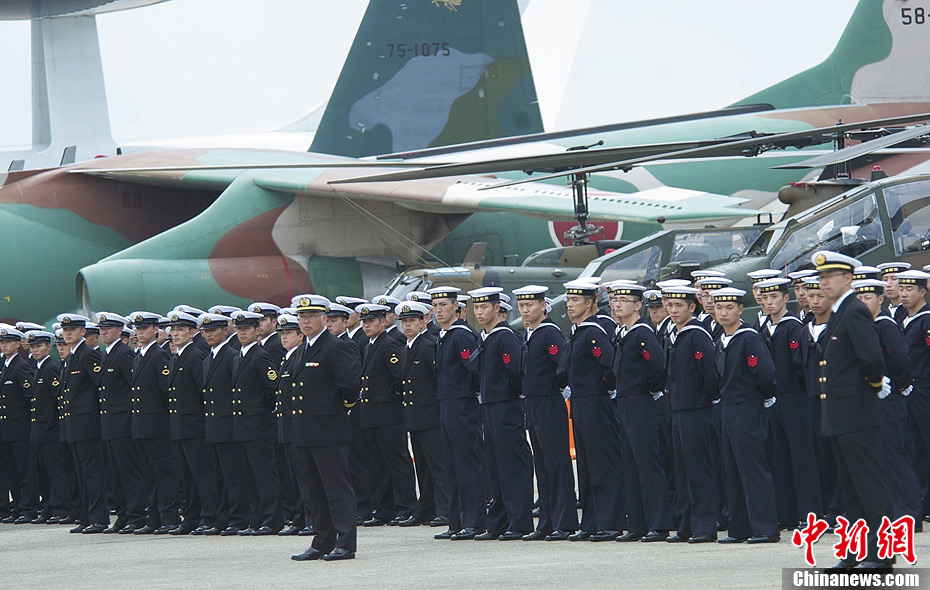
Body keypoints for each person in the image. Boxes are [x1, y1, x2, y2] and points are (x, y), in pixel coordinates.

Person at [812, 250, 894, 570]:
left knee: (870, 488)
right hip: (839, 415)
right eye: (821, 277)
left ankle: (883, 554)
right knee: (851, 491)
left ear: (848, 279)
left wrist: (873, 387)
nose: (823, 282)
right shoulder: (838, 313)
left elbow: (871, 359)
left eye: (829, 276)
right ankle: (856, 553)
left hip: (857, 413)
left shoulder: (854, 311)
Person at [290, 294, 361, 562]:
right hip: (307, 430)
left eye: (311, 317)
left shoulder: (335, 346)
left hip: (329, 428)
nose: (306, 322)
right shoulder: (303, 348)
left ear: (324, 319)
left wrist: (341, 408)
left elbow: (350, 385)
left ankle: (345, 543)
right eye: (302, 317)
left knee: (337, 488)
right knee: (315, 490)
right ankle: (322, 540)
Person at [710, 288, 780, 544]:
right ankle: (739, 527)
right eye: (719, 308)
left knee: (753, 468)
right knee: (732, 468)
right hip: (728, 408)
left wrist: (763, 397)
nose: (724, 312)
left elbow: (765, 373)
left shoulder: (748, 338)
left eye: (729, 307)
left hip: (747, 407)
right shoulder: (722, 339)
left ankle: (765, 527)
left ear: (741, 309)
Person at [605, 282, 672, 543]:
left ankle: (658, 523)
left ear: (637, 305)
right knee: (630, 464)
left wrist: (648, 389)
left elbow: (658, 366)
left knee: (647, 463)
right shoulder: (624, 332)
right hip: (625, 401)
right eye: (614, 299)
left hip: (640, 401)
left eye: (623, 299)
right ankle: (637, 523)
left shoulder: (642, 332)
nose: (617, 303)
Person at [466, 287, 534, 541]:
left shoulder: (504, 337)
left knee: (511, 466)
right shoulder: (487, 337)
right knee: (495, 467)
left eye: (485, 307)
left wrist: (509, 395)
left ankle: (519, 521)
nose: (480, 312)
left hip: (506, 406)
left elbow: (515, 372)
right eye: (477, 308)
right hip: (490, 407)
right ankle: (498, 522)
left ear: (498, 309)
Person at [559, 279, 623, 542]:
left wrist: (606, 391)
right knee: (586, 466)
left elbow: (609, 365)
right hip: (582, 402)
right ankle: (591, 521)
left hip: (597, 401)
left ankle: (610, 521)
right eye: (568, 301)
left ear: (590, 302)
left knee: (602, 464)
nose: (570, 305)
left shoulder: (595, 329)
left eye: (575, 300)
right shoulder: (581, 330)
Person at [853, 278, 921, 526]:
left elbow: (901, 359)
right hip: (870, 401)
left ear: (880, 299)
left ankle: (908, 512)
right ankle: (892, 510)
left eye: (867, 298)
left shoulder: (884, 325)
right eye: (858, 298)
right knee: (879, 457)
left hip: (889, 398)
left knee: (895, 455)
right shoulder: (864, 326)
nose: (863, 302)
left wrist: (901, 385)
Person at [755, 277, 821, 529]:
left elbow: (801, 365)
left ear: (785, 298)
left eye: (774, 297)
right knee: (779, 457)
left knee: (802, 456)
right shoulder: (765, 329)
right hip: (774, 400)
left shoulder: (793, 327)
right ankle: (787, 513)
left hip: (795, 397)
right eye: (765, 297)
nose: (769, 302)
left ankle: (810, 513)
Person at [513, 285, 578, 541]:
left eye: (530, 305)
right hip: (534, 403)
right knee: (542, 463)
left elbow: (561, 365)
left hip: (549, 401)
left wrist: (559, 390)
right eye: (522, 305)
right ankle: (547, 521)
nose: (525, 310)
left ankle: (565, 520)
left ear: (543, 306)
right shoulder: (530, 334)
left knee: (557, 463)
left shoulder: (549, 333)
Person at [428, 286, 488, 541]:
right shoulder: (445, 335)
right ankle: (457, 521)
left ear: (457, 307)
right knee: (452, 465)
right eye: (436, 305)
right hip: (447, 403)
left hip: (462, 404)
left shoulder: (461, 335)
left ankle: (474, 521)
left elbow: (475, 369)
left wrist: (470, 396)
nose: (439, 310)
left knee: (466, 464)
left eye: (444, 305)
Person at [661, 286, 719, 544]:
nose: (673, 310)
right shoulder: (675, 334)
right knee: (682, 469)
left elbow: (710, 373)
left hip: (696, 409)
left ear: (691, 308)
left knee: (699, 470)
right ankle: (686, 524)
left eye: (679, 306)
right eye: (670, 305)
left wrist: (706, 399)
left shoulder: (697, 335)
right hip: (678, 409)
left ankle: (705, 526)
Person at [356, 303, 417, 527]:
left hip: (388, 413)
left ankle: (406, 506)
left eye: (371, 322)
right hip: (371, 413)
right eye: (364, 322)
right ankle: (384, 508)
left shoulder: (389, 344)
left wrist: (392, 401)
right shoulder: (369, 345)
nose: (367, 326)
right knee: (377, 464)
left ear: (383, 322)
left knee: (397, 462)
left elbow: (399, 377)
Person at [395, 300, 449, 527]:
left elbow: (438, 378)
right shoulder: (405, 348)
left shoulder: (428, 345)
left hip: (430, 415)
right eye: (404, 322)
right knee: (423, 467)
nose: (407, 326)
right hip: (415, 416)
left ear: (423, 321)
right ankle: (425, 509)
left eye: (411, 321)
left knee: (438, 465)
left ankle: (445, 509)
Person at [229, 311, 283, 535]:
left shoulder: (260, 356)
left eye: (247, 329)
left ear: (257, 331)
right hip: (243, 425)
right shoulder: (238, 356)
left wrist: (262, 410)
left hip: (258, 424)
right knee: (249, 475)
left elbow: (273, 388)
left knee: (264, 475)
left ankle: (272, 520)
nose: (242, 333)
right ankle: (257, 518)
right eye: (239, 330)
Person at [163, 311, 216, 535]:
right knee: (187, 477)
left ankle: (209, 516)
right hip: (180, 427)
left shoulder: (194, 356)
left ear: (193, 332)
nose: (175, 334)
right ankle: (192, 517)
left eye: (180, 330)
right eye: (173, 331)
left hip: (194, 426)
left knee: (202, 475)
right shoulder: (177, 356)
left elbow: (202, 392)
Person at [127, 311, 180, 535]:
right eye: (137, 329)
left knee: (163, 474)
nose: (140, 333)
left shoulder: (158, 356)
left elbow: (166, 390)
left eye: (144, 329)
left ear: (156, 330)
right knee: (149, 474)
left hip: (156, 425)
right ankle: (154, 518)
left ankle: (169, 517)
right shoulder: (139, 355)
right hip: (141, 425)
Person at [95, 312, 146, 534]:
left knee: (128, 472)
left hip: (123, 423)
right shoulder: (108, 354)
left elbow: (133, 388)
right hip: (110, 424)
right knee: (115, 473)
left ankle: (136, 515)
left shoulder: (124, 354)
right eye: (101, 329)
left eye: (108, 328)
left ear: (119, 331)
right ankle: (124, 515)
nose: (103, 332)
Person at [57, 313, 108, 534]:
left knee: (93, 473)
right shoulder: (71, 357)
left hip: (87, 424)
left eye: (72, 330)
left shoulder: (87, 355)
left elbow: (101, 387)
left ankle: (99, 518)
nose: (67, 334)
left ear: (83, 332)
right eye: (65, 331)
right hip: (74, 425)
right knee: (81, 473)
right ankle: (86, 517)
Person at [199, 312, 242, 536]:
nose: (208, 335)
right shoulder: (209, 358)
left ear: (225, 330)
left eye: (213, 331)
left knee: (232, 476)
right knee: (219, 477)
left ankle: (237, 518)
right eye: (205, 331)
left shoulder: (232, 356)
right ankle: (222, 517)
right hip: (214, 425)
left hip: (228, 425)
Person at [26, 331, 69, 524]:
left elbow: (57, 399)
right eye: (33, 347)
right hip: (40, 430)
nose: (35, 350)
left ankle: (61, 507)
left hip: (50, 429)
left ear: (47, 347)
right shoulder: (38, 368)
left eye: (39, 346)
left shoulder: (50, 369)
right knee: (45, 473)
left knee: (56, 471)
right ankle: (50, 506)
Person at [0, 327, 39, 523]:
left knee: (24, 469)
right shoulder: (4, 366)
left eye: (8, 342)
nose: (4, 345)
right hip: (6, 428)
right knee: (11, 470)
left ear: (17, 344)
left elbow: (30, 396)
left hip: (20, 427)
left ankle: (29, 507)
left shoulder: (20, 366)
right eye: (2, 342)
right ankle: (17, 506)